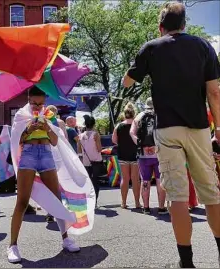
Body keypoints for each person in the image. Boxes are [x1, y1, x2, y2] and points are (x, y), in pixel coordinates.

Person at [123, 2, 220, 267]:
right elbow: (214, 92)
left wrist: (133, 71)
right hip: (199, 128)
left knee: (177, 196)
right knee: (211, 193)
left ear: (161, 27)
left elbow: (128, 81)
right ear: (184, 25)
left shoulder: (152, 48)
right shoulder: (204, 47)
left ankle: (186, 262)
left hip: (167, 130)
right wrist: (219, 128)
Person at [7, 87, 81, 263]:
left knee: (56, 198)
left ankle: (66, 239)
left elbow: (55, 141)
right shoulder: (21, 115)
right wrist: (28, 129)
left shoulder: (48, 115)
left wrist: (47, 127)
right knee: (22, 202)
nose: (37, 107)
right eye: (34, 103)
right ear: (28, 99)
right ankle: (12, 245)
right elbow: (16, 141)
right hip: (29, 155)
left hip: (46, 154)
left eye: (40, 104)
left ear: (45, 102)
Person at [130, 97, 167, 215]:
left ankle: (146, 207)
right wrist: (156, 146)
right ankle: (161, 208)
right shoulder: (161, 115)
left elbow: (132, 133)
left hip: (143, 155)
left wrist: (142, 145)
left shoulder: (138, 117)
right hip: (158, 154)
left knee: (145, 181)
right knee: (159, 180)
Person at [112, 103, 141, 209]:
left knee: (124, 179)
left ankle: (123, 203)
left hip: (123, 154)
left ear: (124, 114)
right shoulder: (137, 124)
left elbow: (114, 140)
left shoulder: (119, 126)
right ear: (134, 113)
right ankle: (137, 203)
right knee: (135, 180)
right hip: (135, 154)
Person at [79, 115, 103, 206]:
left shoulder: (80, 135)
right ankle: (94, 201)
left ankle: (88, 201)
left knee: (87, 182)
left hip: (86, 161)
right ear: (93, 124)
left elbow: (79, 150)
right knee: (95, 181)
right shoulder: (95, 134)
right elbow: (99, 149)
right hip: (96, 160)